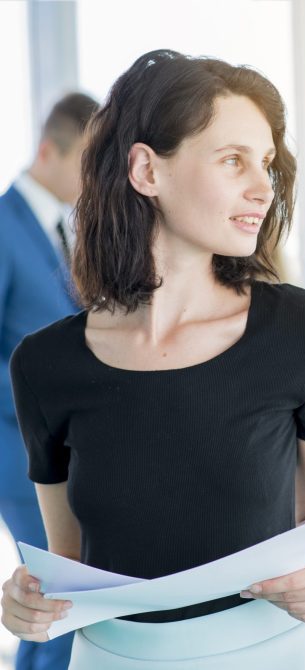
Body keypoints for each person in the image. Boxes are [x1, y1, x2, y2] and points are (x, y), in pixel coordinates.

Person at [0, 49, 305, 669]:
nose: (262, 188)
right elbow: (69, 564)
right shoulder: (44, 366)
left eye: (267, 164)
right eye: (232, 160)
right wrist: (26, 600)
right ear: (147, 170)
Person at [0, 91, 98, 670]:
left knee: (58, 595)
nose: (94, 178)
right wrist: (42, 400)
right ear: (47, 151)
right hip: (16, 444)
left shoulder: (65, 229)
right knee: (62, 591)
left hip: (61, 446)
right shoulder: (5, 225)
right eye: (88, 162)